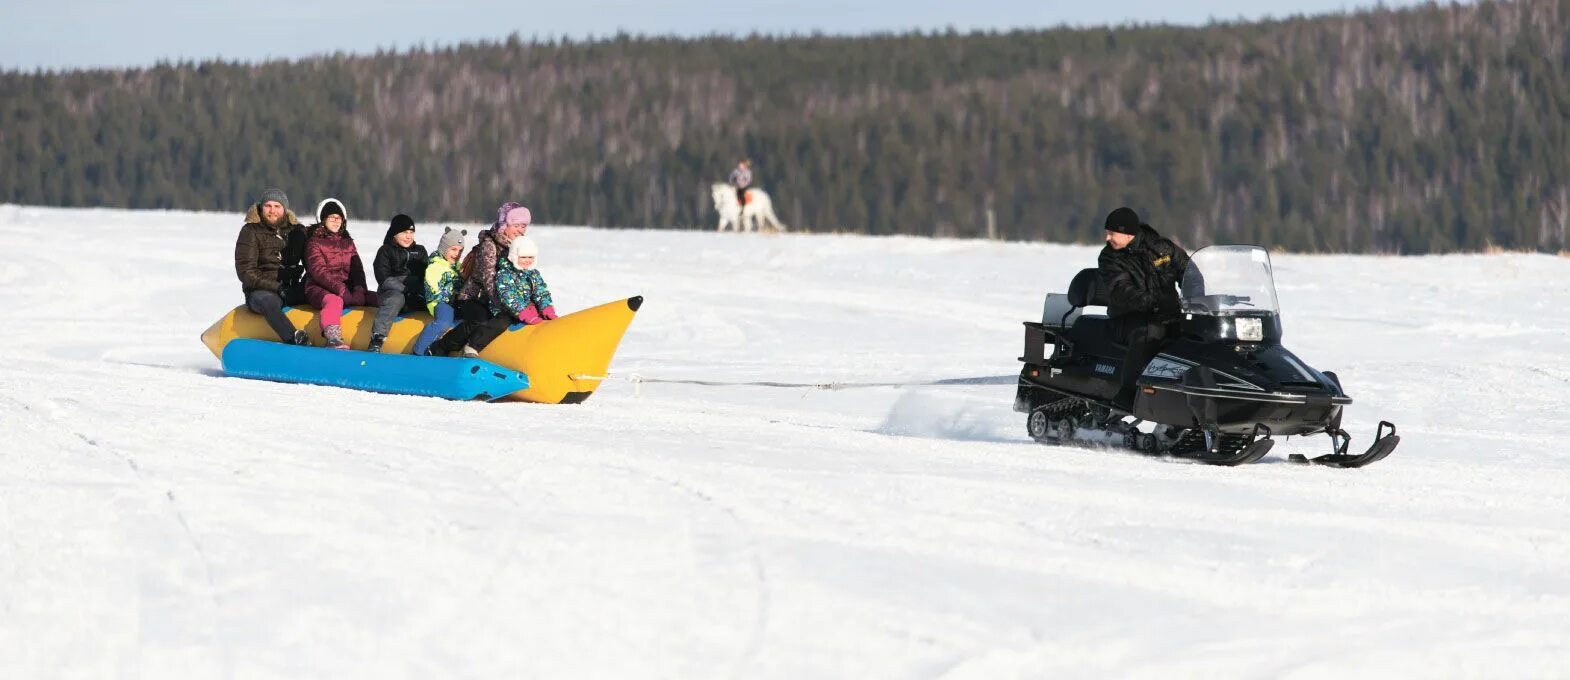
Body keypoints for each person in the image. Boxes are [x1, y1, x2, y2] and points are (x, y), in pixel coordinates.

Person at [1097, 206, 1191, 410]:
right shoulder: (1109, 258)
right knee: (1151, 332)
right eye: (1107, 233)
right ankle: (1128, 392)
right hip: (1128, 318)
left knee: (1196, 331)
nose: (1107, 238)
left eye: (1111, 233)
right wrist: (1153, 302)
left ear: (1128, 233)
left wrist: (1198, 294)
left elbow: (1188, 270)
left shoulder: (1162, 249)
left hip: (1169, 315)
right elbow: (1122, 290)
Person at [442, 201, 529, 356]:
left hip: (497, 299)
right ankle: (443, 347)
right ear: (505, 225)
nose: (521, 231)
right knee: (480, 319)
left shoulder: (518, 247)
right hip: (474, 297)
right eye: (517, 226)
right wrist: (508, 305)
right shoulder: (489, 245)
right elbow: (488, 279)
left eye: (523, 226)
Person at [233, 187, 310, 345]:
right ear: (261, 208)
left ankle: (334, 337)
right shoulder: (250, 231)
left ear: (285, 209)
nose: (272, 211)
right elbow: (246, 271)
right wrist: (276, 287)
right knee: (268, 301)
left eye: (277, 206)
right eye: (268, 206)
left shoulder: (297, 231)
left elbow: (312, 260)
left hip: (291, 288)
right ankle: (294, 339)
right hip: (261, 291)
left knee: (321, 294)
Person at [303, 198, 377, 349]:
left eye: (339, 218)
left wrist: (359, 289)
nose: (336, 221)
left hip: (345, 288)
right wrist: (340, 289)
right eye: (332, 218)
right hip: (319, 288)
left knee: (375, 297)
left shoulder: (348, 242)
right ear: (323, 220)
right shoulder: (314, 242)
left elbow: (357, 269)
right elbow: (318, 271)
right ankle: (333, 338)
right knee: (334, 301)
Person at [368, 214, 429, 352]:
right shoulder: (385, 251)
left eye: (411, 232)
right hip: (391, 292)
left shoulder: (420, 251)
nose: (408, 236)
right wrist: (404, 288)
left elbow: (427, 274)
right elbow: (383, 278)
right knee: (396, 299)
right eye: (404, 232)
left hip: (415, 292)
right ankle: (377, 337)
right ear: (394, 234)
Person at [413, 227, 466, 356]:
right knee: (444, 322)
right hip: (439, 302)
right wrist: (450, 296)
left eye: (460, 251)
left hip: (455, 302)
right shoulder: (435, 266)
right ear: (444, 248)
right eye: (453, 250)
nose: (457, 254)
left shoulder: (458, 267)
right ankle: (418, 351)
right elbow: (432, 288)